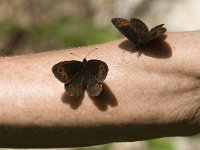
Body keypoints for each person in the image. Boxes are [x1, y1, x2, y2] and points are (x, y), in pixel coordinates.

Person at [0, 31, 199, 148]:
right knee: (89, 86)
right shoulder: (96, 65)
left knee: (81, 86)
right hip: (92, 82)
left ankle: (81, 87)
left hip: (79, 82)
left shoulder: (80, 65)